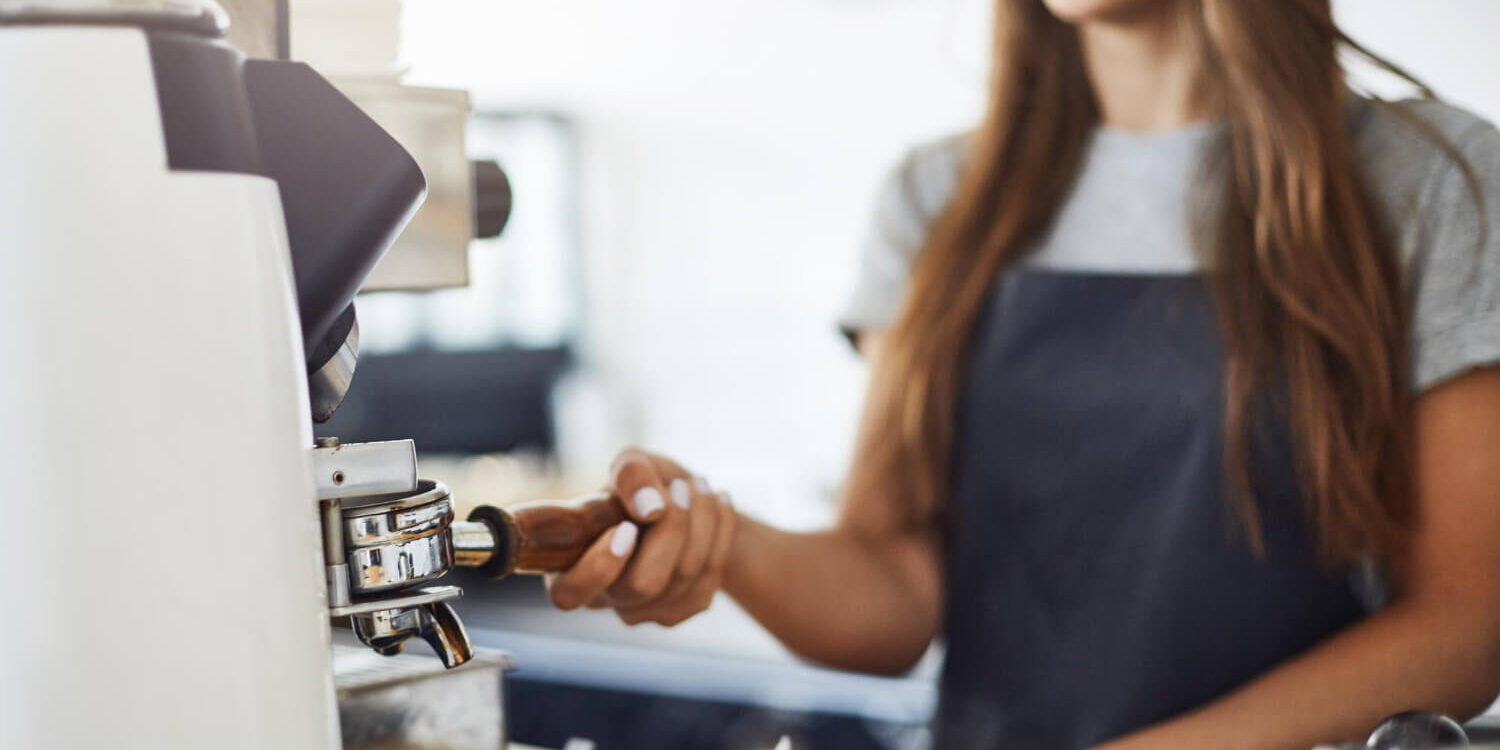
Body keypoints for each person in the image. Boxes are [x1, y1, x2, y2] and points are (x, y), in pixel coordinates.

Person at [542, 1, 1500, 747]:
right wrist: (719, 537)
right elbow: (895, 591)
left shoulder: (1431, 183)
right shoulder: (943, 200)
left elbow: (1462, 627)